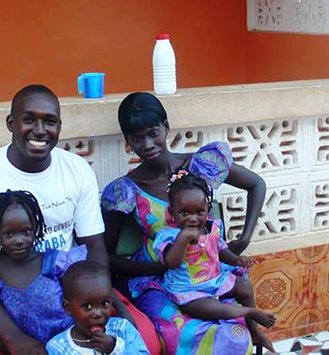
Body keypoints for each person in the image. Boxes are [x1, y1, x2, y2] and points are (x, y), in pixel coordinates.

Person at [0, 85, 161, 355]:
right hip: (7, 298)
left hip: (73, 292)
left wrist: (100, 303)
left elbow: (94, 246)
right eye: (29, 120)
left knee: (146, 341)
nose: (39, 130)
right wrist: (12, 337)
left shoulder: (76, 169)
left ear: (59, 126)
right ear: (11, 123)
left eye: (49, 121)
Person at [101, 92, 270, 354]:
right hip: (155, 283)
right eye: (137, 138)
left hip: (211, 274)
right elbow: (105, 256)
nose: (147, 144)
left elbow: (256, 184)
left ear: (166, 127)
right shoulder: (126, 191)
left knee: (234, 330)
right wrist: (159, 266)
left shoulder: (199, 165)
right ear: (128, 141)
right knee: (182, 333)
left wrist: (245, 238)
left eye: (153, 132)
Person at [155, 170, 275, 337]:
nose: (193, 218)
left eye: (199, 212)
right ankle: (249, 312)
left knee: (244, 286)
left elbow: (221, 252)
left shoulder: (212, 229)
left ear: (207, 210)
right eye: (184, 213)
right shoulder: (169, 237)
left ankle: (254, 331)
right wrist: (183, 239)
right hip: (188, 289)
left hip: (215, 280)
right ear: (172, 213)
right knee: (208, 308)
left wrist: (237, 260)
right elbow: (171, 263)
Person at [0, 190, 89, 345]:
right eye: (9, 234)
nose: (18, 241)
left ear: (35, 229)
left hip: (70, 344)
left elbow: (90, 283)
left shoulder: (54, 261)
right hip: (26, 348)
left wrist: (122, 310)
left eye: (26, 232)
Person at [46, 261, 150, 354]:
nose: (98, 313)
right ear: (68, 307)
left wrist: (115, 347)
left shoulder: (122, 329)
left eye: (104, 304)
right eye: (87, 306)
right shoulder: (58, 348)